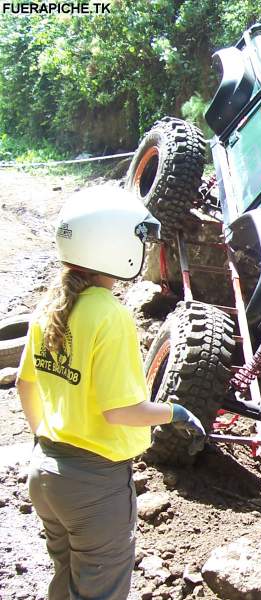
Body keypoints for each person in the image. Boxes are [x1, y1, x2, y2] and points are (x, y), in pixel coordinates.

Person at [15, 185, 206, 600]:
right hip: (94, 484)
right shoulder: (110, 315)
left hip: (45, 472)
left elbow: (24, 384)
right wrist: (174, 412)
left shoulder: (48, 306)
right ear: (114, 245)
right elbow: (121, 411)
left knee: (65, 582)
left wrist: (41, 443)